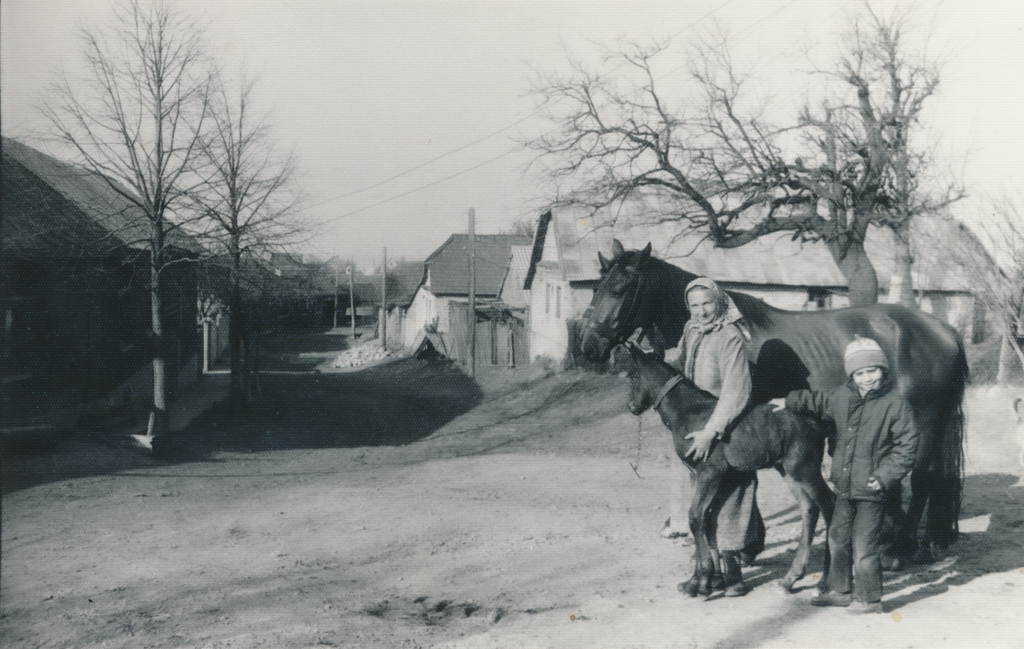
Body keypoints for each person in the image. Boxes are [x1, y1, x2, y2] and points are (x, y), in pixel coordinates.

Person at [770, 336, 918, 614]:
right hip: (845, 488)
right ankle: (840, 590)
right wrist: (788, 401)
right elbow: (818, 400)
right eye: (860, 373)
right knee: (837, 539)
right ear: (852, 375)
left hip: (872, 489)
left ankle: (870, 599)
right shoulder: (843, 396)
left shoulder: (895, 405)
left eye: (872, 371)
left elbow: (907, 446)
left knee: (864, 548)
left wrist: (885, 476)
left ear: (883, 370)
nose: (867, 378)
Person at [663, 277, 764, 597]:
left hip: (727, 424)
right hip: (697, 425)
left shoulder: (729, 336)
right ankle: (711, 566)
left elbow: (737, 388)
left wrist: (713, 430)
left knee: (732, 491)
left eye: (707, 303)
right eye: (694, 305)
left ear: (718, 302)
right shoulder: (691, 330)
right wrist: (652, 357)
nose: (702, 311)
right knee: (703, 496)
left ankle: (733, 571)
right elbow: (680, 364)